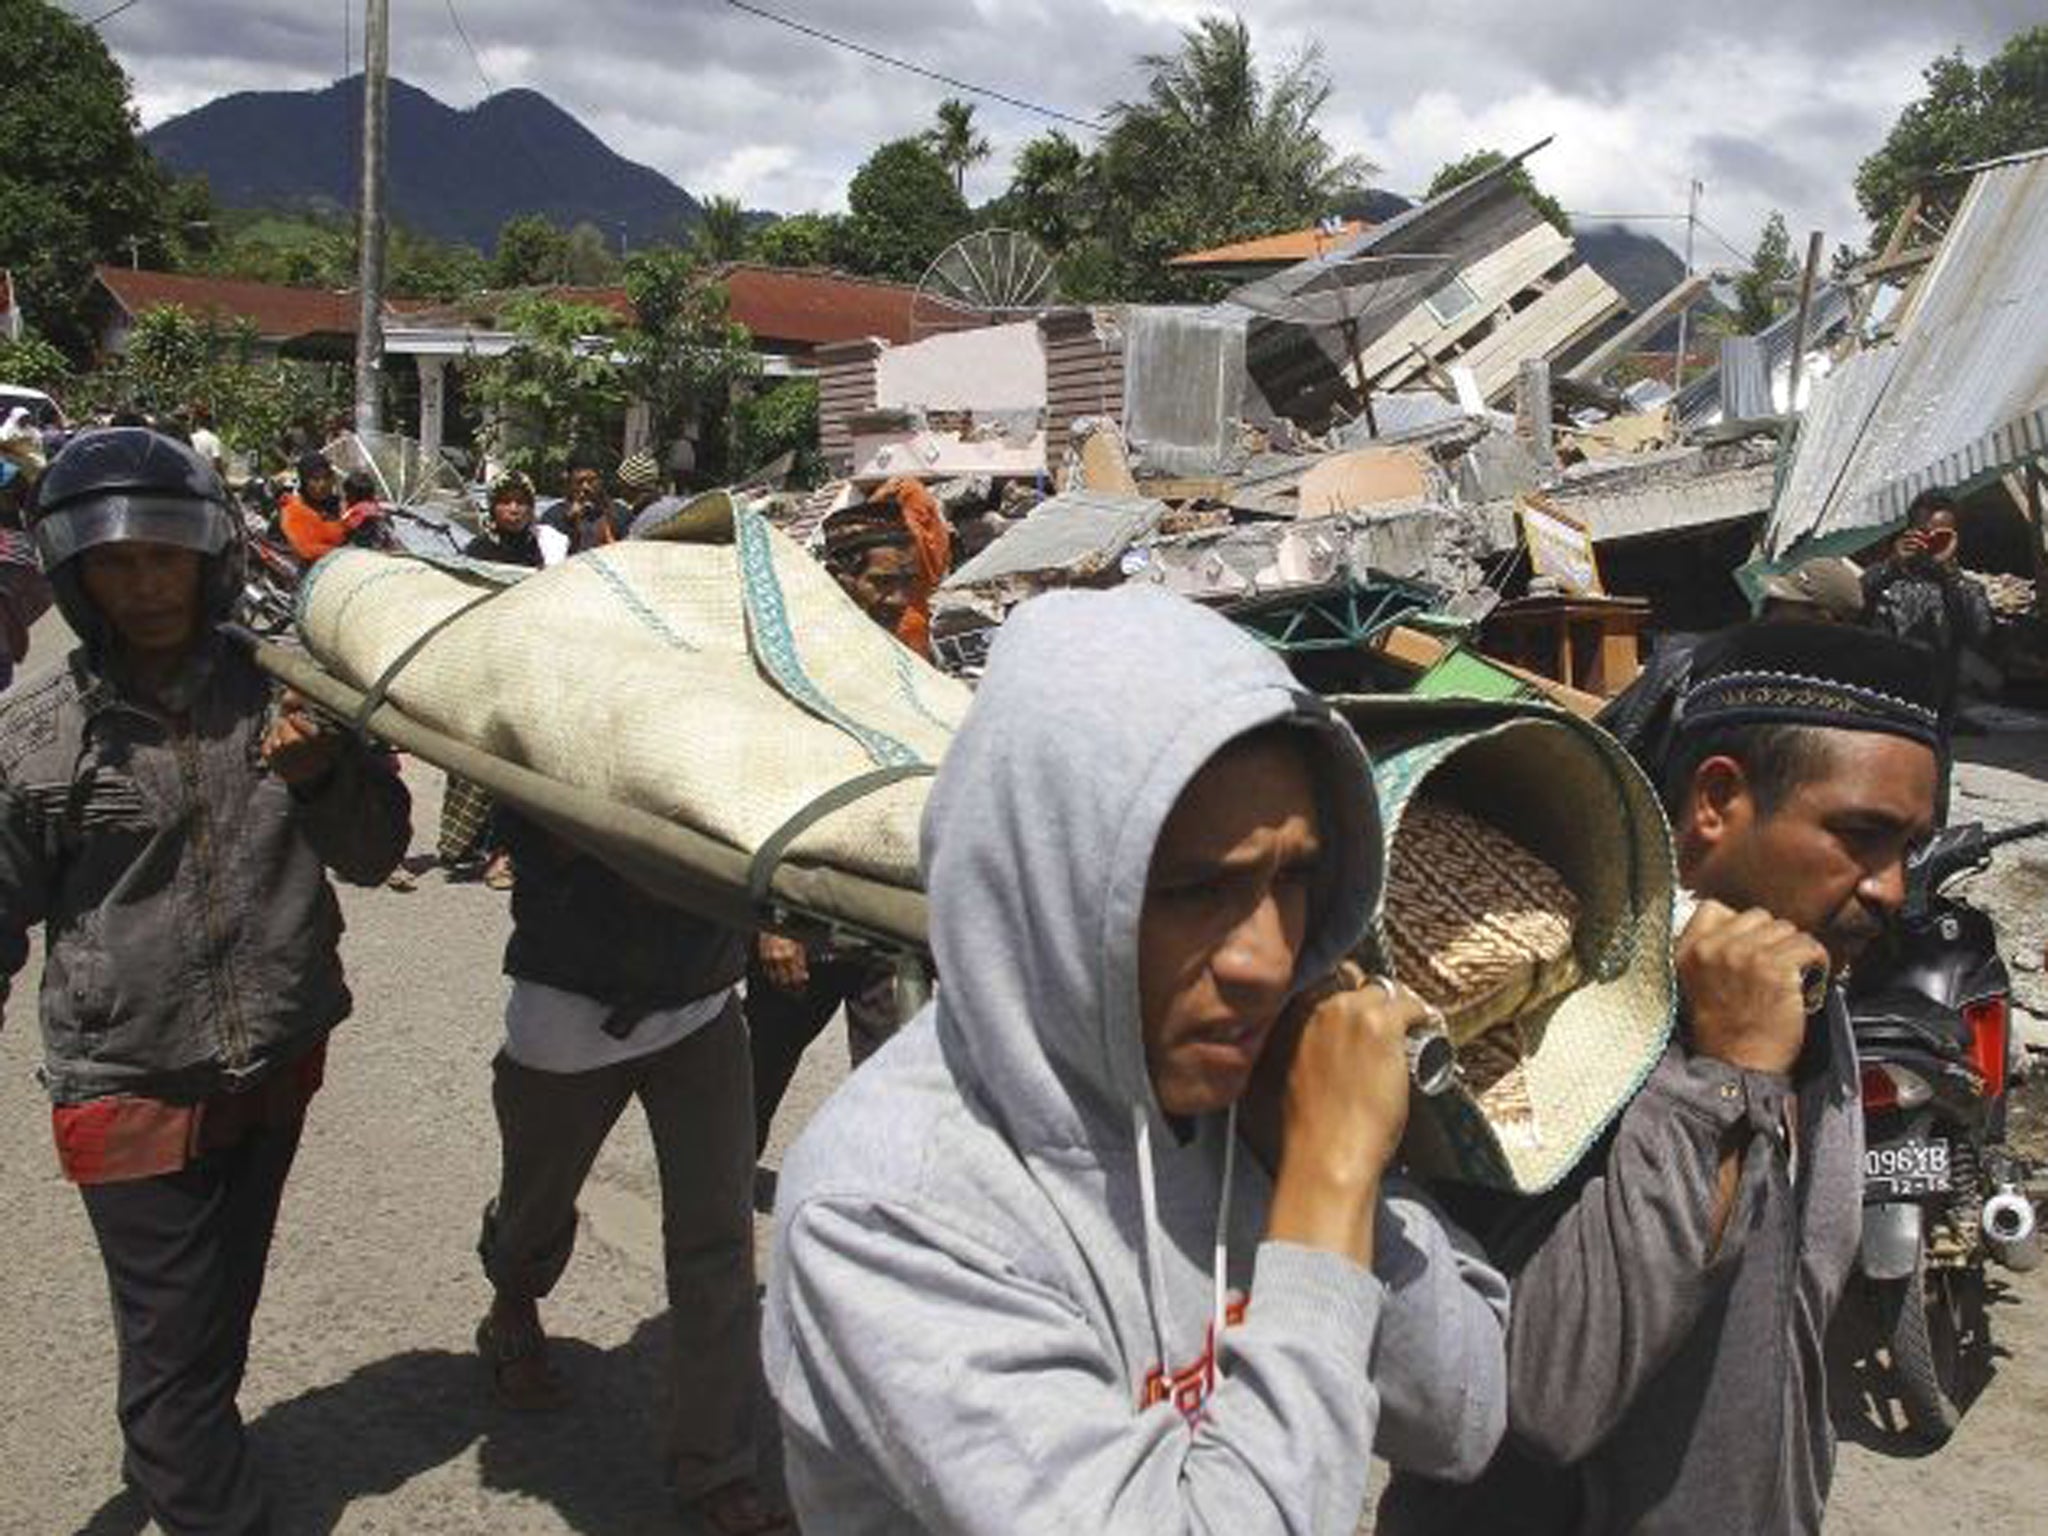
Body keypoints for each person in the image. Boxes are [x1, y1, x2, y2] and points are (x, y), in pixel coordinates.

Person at [764, 586, 1510, 1534]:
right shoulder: (891, 1211)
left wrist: (1334, 1168)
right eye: (1199, 891)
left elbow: (1465, 1417)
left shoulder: (1249, 1104)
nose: (1268, 960)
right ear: (1054, 889)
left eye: (1293, 880)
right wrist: (1326, 1192)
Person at [1381, 620, 1944, 1536]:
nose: (1889, 888)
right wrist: (1723, 1076)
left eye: (1909, 849)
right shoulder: (1555, 1010)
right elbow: (1549, 1394)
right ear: (1719, 800)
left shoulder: (1808, 985)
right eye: (1860, 836)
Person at [0, 427, 412, 1535]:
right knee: (171, 1330)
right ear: (77, 575)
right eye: (116, 564)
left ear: (209, 557)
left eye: (164, 557)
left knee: (219, 1301)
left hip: (275, 1053)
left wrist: (321, 773)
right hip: (127, 1075)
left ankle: (190, 1450)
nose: (144, 586)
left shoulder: (294, 693)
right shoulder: (36, 742)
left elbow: (376, 854)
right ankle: (204, 1506)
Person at [473, 805, 781, 1532]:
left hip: (702, 1005)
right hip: (570, 1010)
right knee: (533, 1208)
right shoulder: (567, 701)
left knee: (717, 1238)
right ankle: (512, 1301)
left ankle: (716, 1467)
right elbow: (527, 817)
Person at [746, 494, 935, 1157]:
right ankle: (715, 1201)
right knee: (756, 1076)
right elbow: (760, 790)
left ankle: (885, 1214)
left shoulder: (903, 658)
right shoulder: (789, 666)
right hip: (801, 912)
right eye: (884, 583)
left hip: (881, 918)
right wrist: (772, 924)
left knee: (895, 1082)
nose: (896, 599)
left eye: (905, 584)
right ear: (841, 576)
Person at [542, 449, 630, 553]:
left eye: (591, 481)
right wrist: (568, 523)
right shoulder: (554, 517)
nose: (585, 487)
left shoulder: (620, 514)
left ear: (601, 481)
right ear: (569, 482)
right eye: (579, 482)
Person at [277, 450, 347, 563]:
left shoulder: (339, 503)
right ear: (304, 482)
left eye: (326, 477)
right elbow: (307, 550)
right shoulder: (294, 510)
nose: (322, 484)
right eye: (315, 479)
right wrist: (346, 553)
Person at [187, 403, 225, 478]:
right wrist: (224, 479)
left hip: (193, 477)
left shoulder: (190, 438)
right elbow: (217, 462)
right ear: (209, 423)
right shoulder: (213, 439)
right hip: (208, 478)